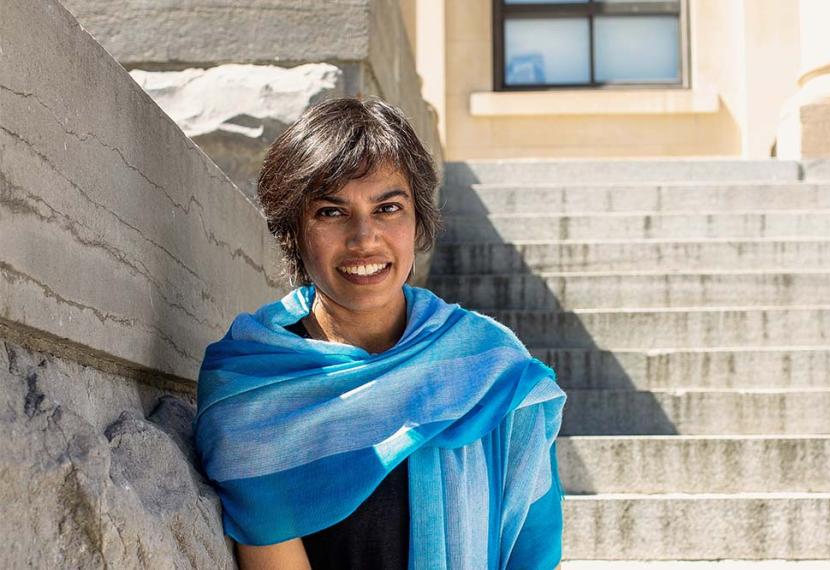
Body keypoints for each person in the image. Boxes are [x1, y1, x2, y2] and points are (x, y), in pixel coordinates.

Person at [192, 96, 566, 570]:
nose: (364, 238)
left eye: (388, 208)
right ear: (292, 231)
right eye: (331, 212)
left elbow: (532, 554)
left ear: (417, 221)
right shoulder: (252, 387)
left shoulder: (491, 366)